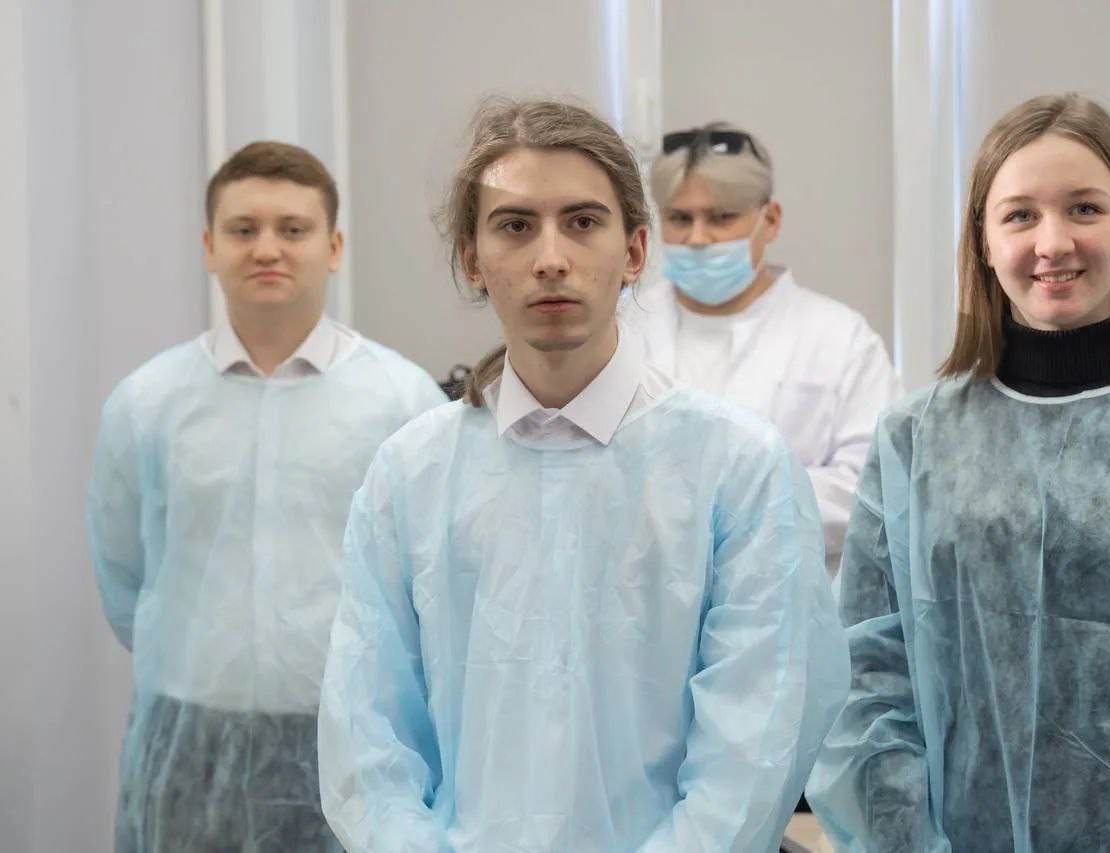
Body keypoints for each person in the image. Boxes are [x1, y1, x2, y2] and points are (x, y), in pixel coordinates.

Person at [317, 98, 850, 852]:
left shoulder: (740, 468)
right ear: (472, 260)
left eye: (582, 221)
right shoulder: (410, 475)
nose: (550, 257)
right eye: (514, 226)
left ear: (634, 251)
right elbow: (369, 740)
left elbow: (753, 752)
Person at [806, 93, 1110, 851]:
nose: (1053, 242)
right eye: (1020, 215)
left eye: (1084, 208)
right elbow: (868, 676)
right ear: (984, 240)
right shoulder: (914, 440)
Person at [86, 141, 447, 852]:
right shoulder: (147, 402)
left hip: (357, 750)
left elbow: (433, 581)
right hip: (188, 752)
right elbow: (124, 577)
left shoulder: (402, 402)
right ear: (209, 247)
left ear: (334, 247)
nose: (267, 248)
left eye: (293, 228)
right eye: (243, 229)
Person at [622, 122, 901, 581]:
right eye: (680, 218)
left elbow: (873, 486)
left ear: (769, 221)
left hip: (790, 595)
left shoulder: (840, 338)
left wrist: (733, 503)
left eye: (721, 217)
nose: (697, 237)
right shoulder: (622, 330)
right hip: (644, 593)